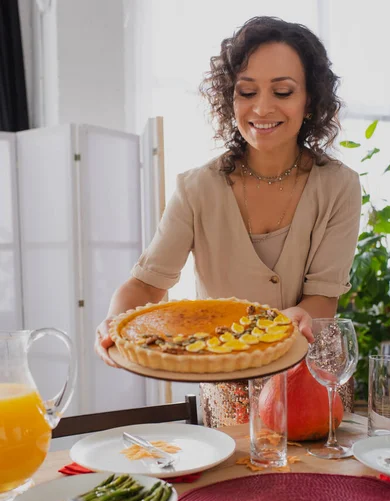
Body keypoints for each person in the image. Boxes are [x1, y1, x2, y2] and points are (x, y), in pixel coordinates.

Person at [95, 15, 361, 369]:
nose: (262, 108)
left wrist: (299, 315)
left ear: (310, 100)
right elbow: (145, 287)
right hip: (223, 384)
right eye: (247, 92)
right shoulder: (196, 189)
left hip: (309, 381)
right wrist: (115, 322)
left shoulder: (339, 186)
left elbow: (322, 301)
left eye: (282, 91)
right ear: (229, 98)